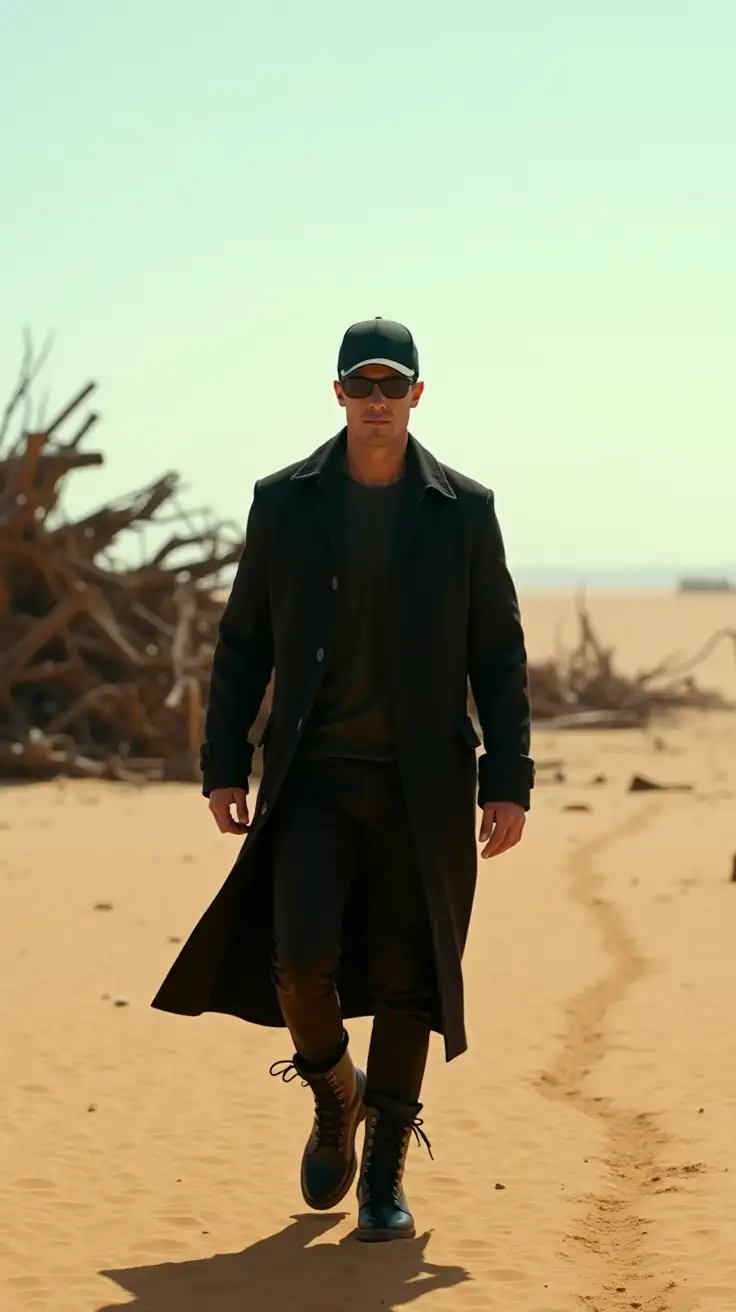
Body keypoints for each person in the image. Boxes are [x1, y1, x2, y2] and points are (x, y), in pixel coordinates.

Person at [152, 317, 534, 1242]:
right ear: (337, 396)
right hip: (313, 779)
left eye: (391, 387)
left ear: (416, 395)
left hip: (426, 786)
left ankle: (386, 1180)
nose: (376, 401)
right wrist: (220, 763)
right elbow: (242, 643)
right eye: (360, 386)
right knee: (301, 961)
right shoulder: (284, 503)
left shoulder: (464, 509)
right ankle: (336, 1092)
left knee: (410, 985)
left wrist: (508, 778)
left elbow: (499, 651)